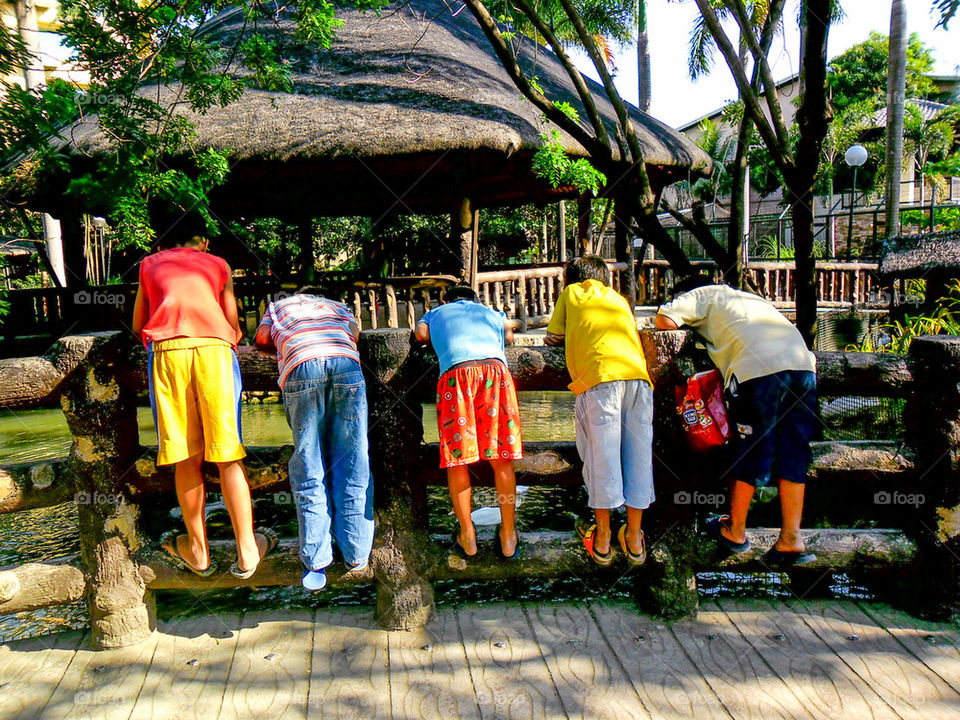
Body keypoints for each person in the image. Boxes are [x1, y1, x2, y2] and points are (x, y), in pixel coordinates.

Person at [131, 219, 275, 579]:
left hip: (168, 353)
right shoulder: (219, 264)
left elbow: (138, 325)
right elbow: (233, 324)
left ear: (162, 244)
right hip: (214, 353)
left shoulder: (148, 265)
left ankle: (197, 552)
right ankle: (247, 550)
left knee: (186, 457)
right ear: (204, 242)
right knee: (228, 455)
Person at [655, 275, 818, 567]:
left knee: (750, 446)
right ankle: (791, 538)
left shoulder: (701, 294)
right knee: (794, 451)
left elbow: (665, 320)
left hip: (759, 371)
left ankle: (735, 529)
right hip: (803, 368)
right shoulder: (748, 299)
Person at [255, 287, 373, 591]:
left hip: (301, 366)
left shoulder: (278, 305)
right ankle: (356, 553)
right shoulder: (338, 305)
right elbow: (354, 334)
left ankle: (316, 560)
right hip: (345, 365)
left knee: (309, 463)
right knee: (353, 460)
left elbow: (262, 338)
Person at [545, 255, 654, 566]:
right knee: (638, 458)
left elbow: (554, 333)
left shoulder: (571, 293)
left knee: (601, 459)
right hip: (639, 381)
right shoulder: (619, 300)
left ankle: (603, 540)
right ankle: (634, 538)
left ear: (571, 279)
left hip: (600, 381)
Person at [414, 285, 522, 560]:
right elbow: (509, 336)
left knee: (457, 459)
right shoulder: (490, 312)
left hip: (457, 376)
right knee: (502, 458)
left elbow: (420, 335)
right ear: (475, 300)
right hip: (496, 374)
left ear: (445, 301)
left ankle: (468, 535)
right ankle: (508, 536)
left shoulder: (435, 313)